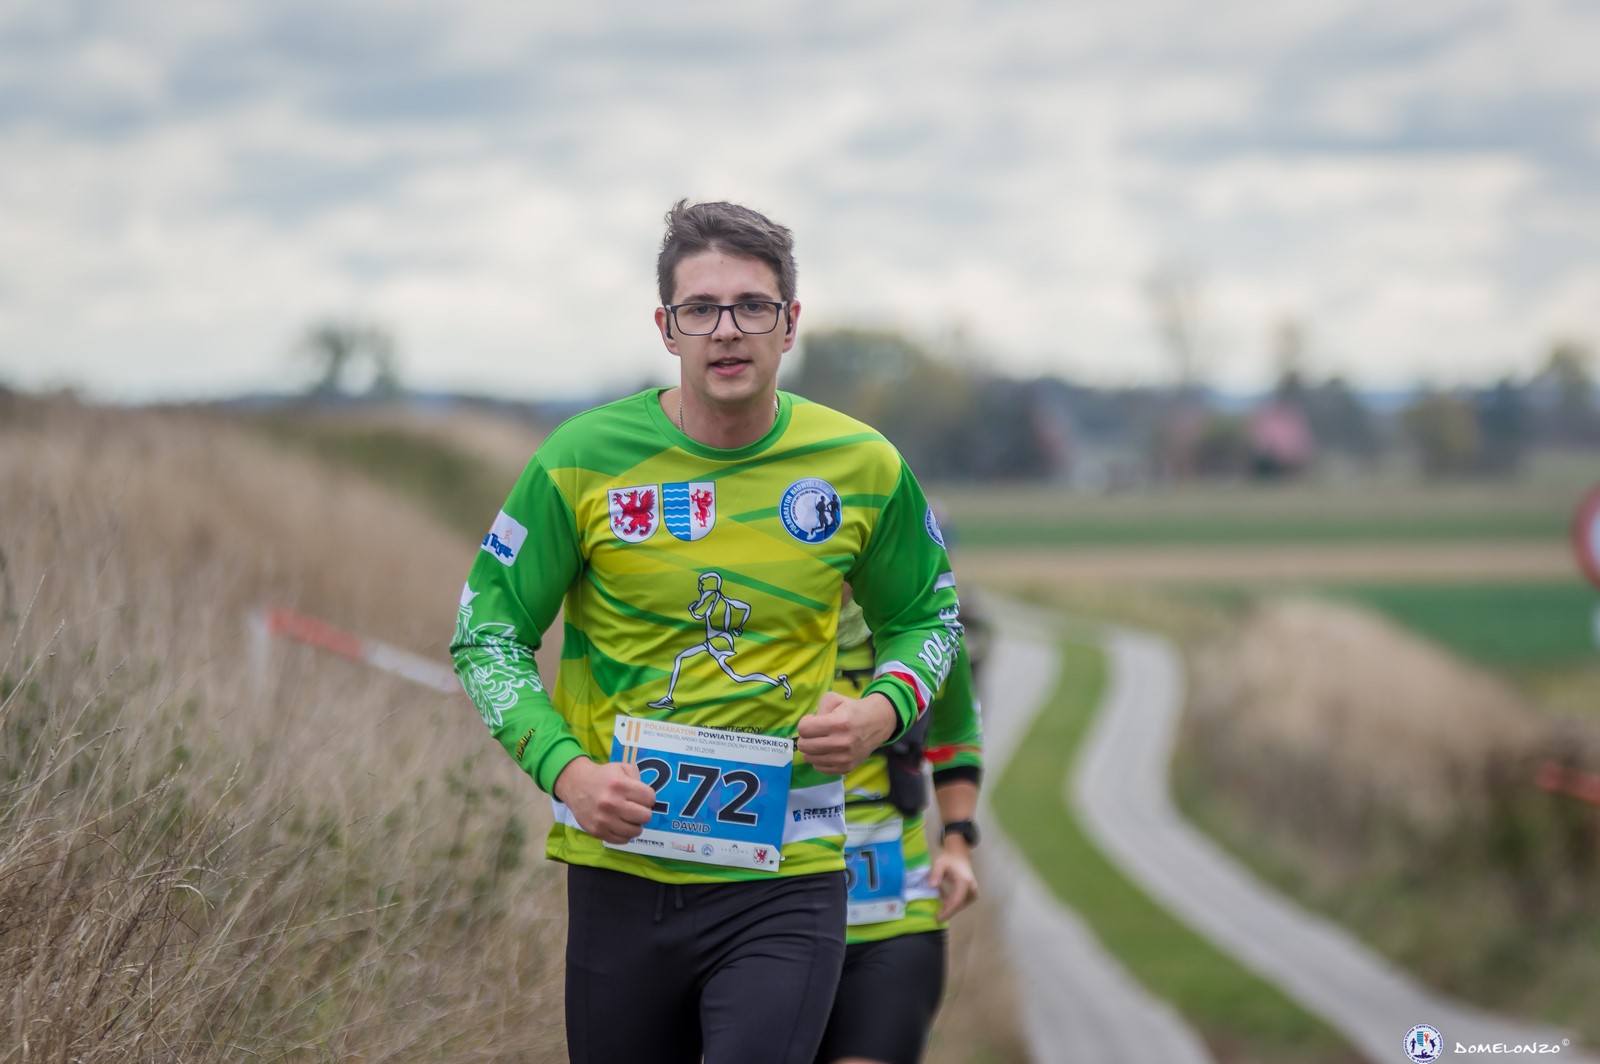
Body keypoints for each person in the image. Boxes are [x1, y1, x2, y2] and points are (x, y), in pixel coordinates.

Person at [450, 199, 964, 1064]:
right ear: (666, 327)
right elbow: (485, 633)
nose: (727, 330)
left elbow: (927, 618)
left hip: (788, 878)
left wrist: (879, 713)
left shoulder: (863, 465)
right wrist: (568, 771)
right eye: (701, 309)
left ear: (790, 323)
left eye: (752, 306)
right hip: (622, 875)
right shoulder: (580, 459)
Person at [814, 593, 983, 1064]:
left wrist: (957, 843)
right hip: (768, 923)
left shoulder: (928, 631)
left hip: (896, 918)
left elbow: (956, 735)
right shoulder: (760, 629)